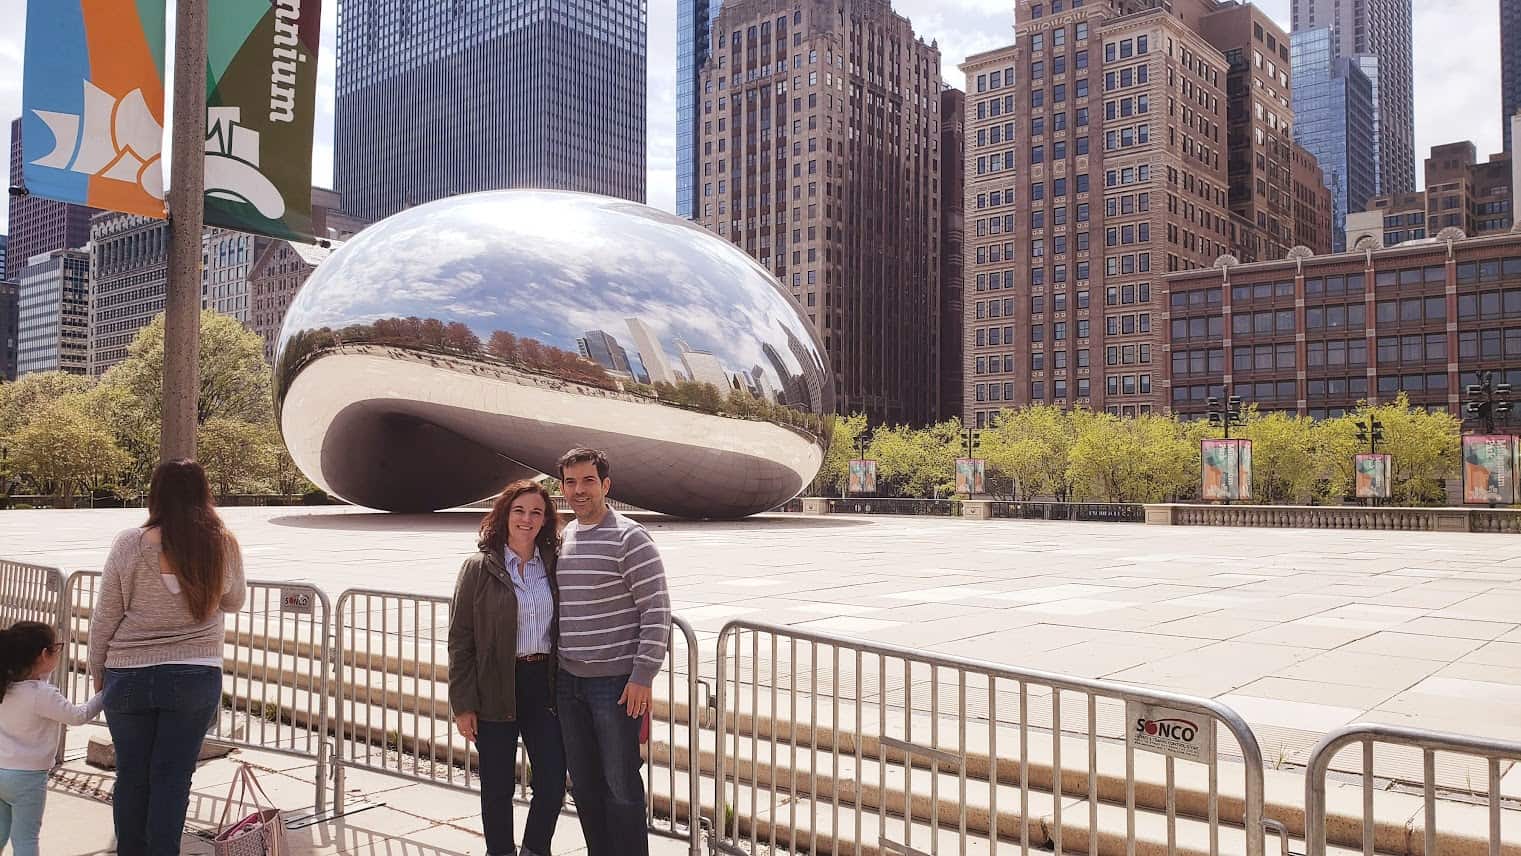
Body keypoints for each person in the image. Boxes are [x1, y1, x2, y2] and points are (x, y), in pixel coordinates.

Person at [88, 459, 246, 856]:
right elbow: (235, 600)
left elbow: (106, 612)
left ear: (155, 493)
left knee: (132, 776)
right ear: (203, 492)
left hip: (128, 671)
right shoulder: (222, 542)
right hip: (195, 672)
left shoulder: (129, 543)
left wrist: (97, 669)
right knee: (173, 777)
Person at [554, 448, 671, 856]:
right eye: (570, 482)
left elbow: (656, 610)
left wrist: (642, 675)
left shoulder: (630, 537)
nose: (578, 490)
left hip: (615, 686)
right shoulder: (565, 536)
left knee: (620, 784)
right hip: (568, 683)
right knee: (584, 783)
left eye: (588, 481)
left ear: (606, 485)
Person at [448, 480, 566, 856]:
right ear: (504, 515)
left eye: (536, 512)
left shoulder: (553, 565)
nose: (527, 519)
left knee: (551, 780)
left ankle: (535, 848)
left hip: (542, 684)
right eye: (519, 511)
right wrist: (463, 703)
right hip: (494, 686)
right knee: (497, 786)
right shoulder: (478, 568)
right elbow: (460, 640)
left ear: (545, 520)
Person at [0, 621, 104, 855]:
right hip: (27, 778)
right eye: (57, 648)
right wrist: (105, 694)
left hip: (1, 769)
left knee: (1, 831)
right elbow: (78, 716)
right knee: (26, 839)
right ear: (44, 654)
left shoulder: (6, 687)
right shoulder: (42, 695)